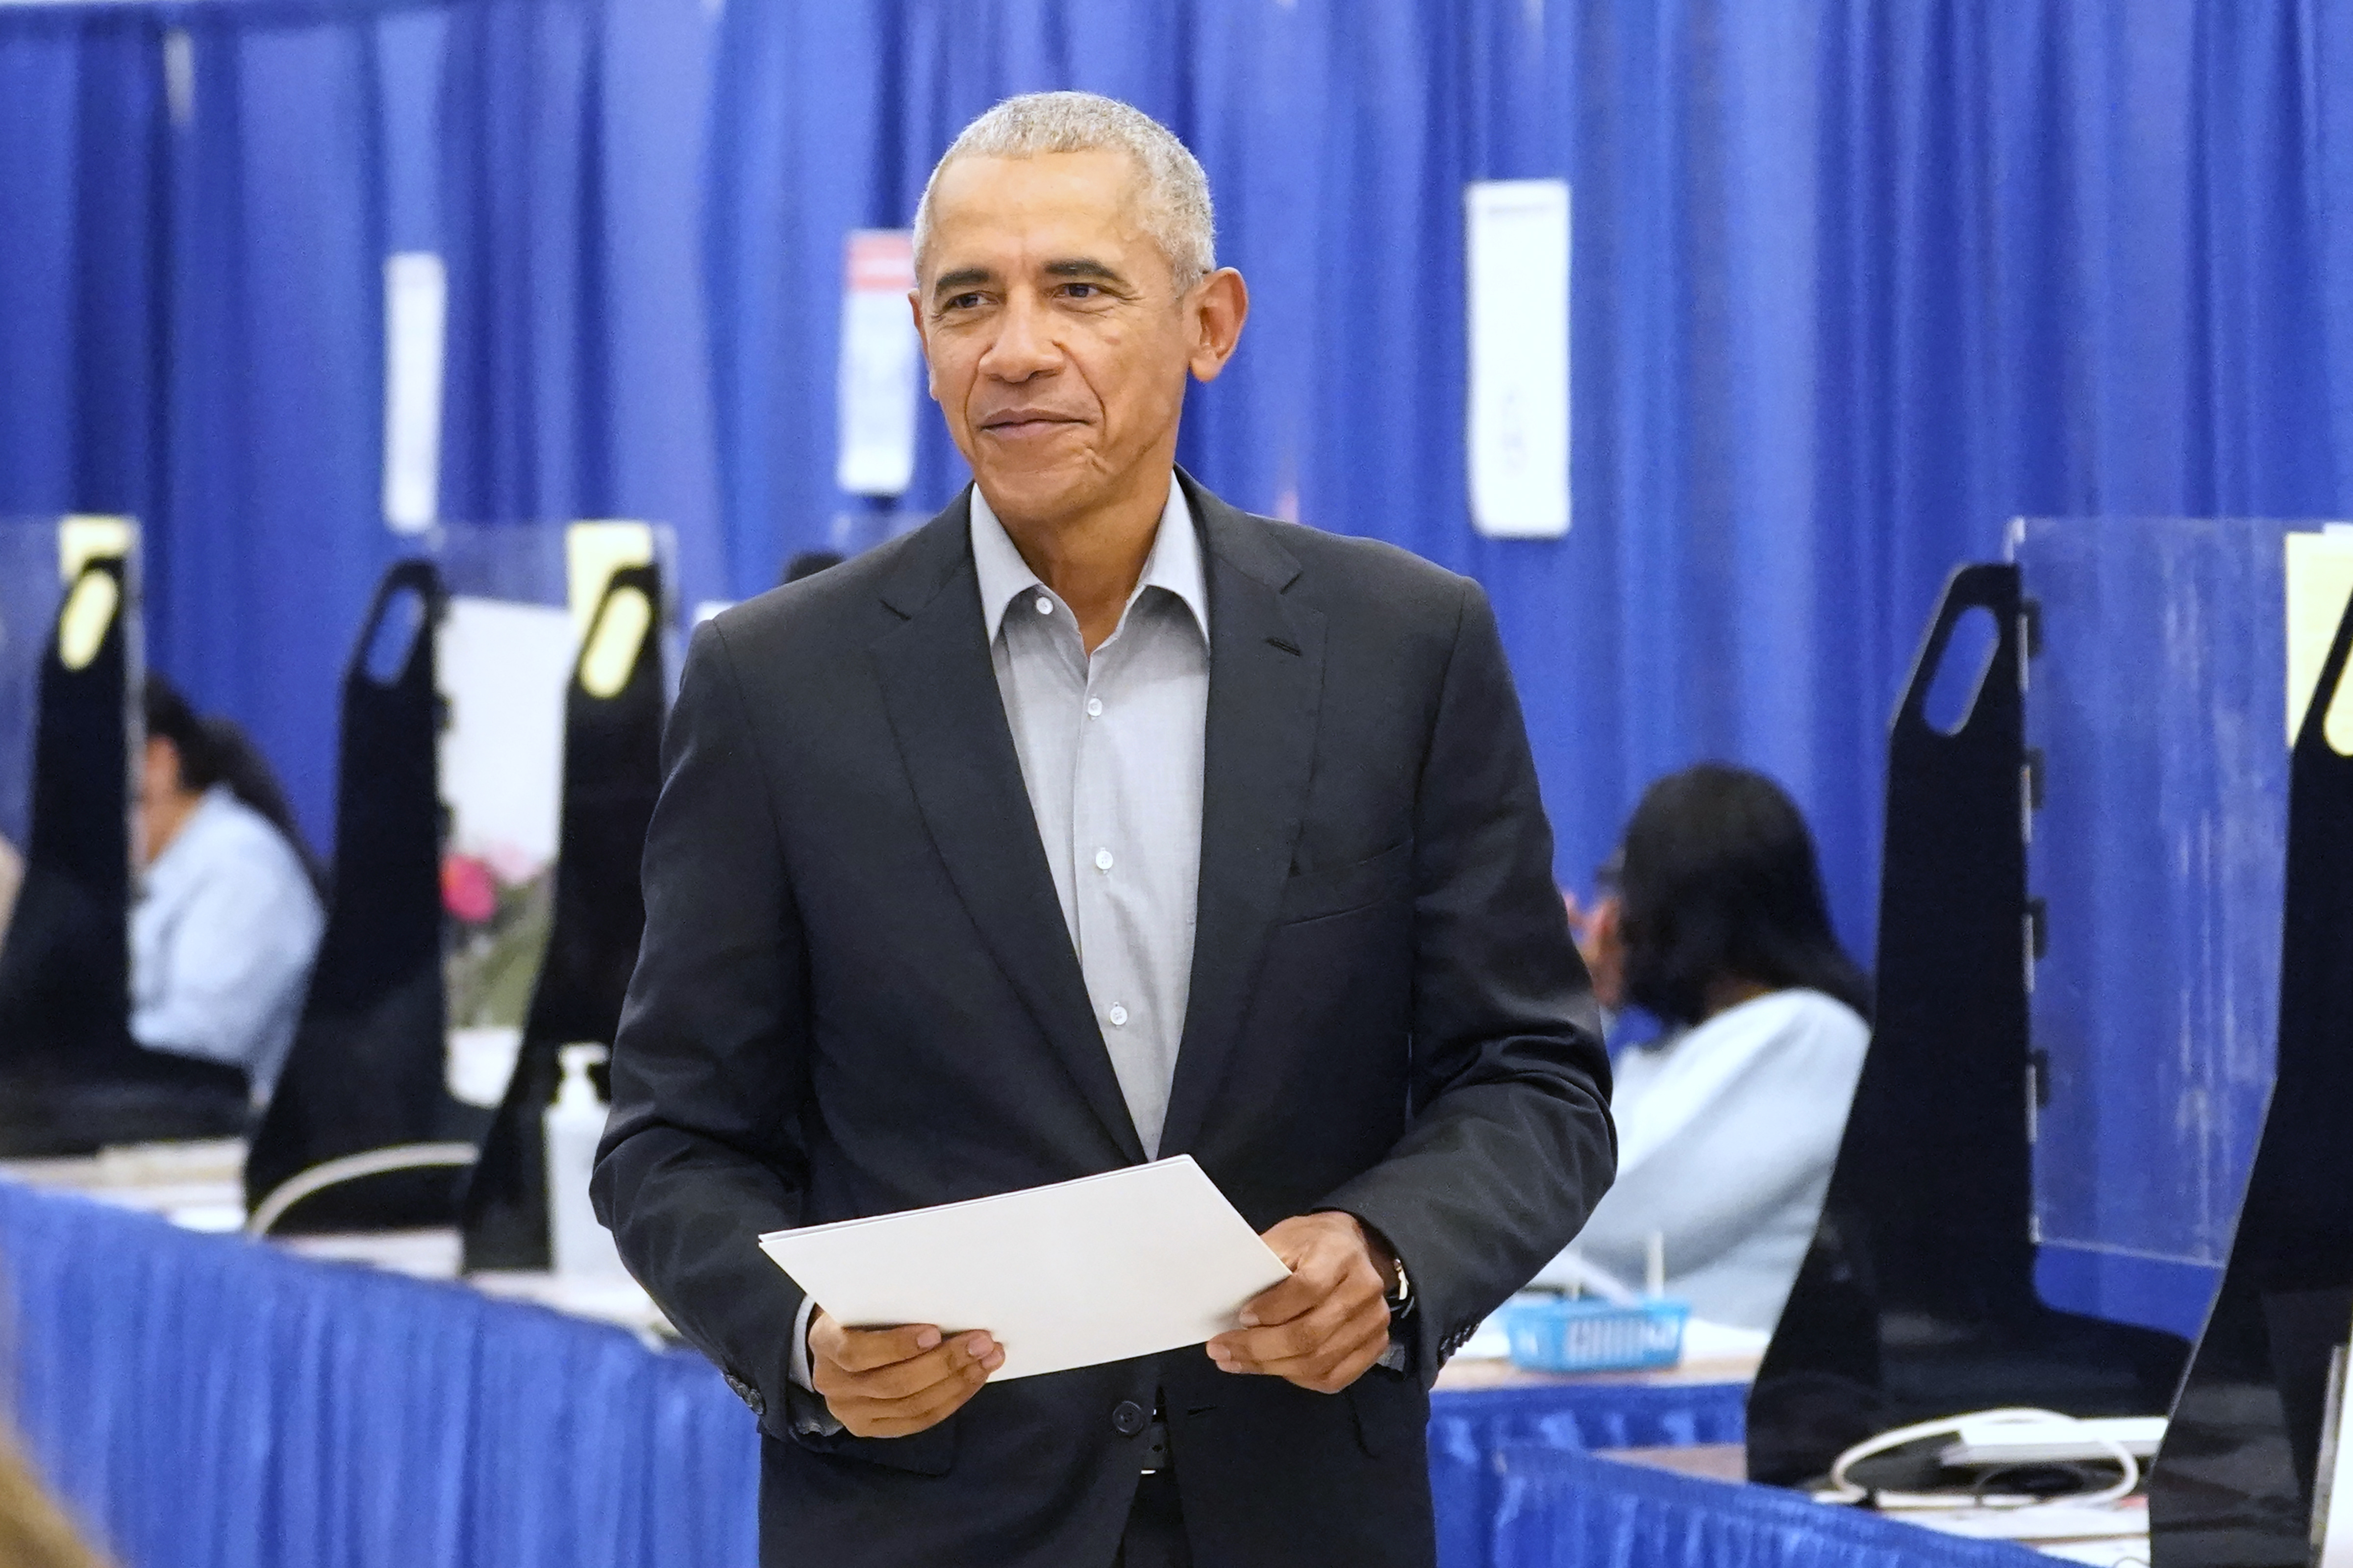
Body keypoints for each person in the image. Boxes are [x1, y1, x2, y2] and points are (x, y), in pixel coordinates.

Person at [595, 91, 1613, 1568]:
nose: (1016, 347)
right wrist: (802, 1335)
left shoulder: (1402, 649)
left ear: (1210, 323)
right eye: (966, 301)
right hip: (928, 1523)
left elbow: (1529, 1074)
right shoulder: (774, 684)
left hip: (1299, 1513)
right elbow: (672, 1141)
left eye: (1078, 288)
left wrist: (1393, 1254)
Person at [1543, 763, 1871, 1332]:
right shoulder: (1675, 1054)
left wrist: (1557, 1009)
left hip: (1727, 1406)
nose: (1605, 920)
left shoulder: (1805, 1034)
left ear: (1673, 903)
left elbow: (1580, 1210)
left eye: (1619, 887)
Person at [132, 676, 325, 1097]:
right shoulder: (161, 867)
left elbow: (198, 1045)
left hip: (230, 1143)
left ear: (159, 764)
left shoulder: (240, 868)